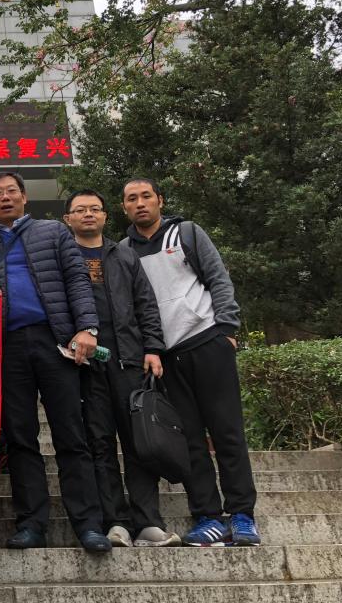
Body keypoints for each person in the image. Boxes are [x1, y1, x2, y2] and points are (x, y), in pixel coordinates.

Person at [0, 171, 111, 553]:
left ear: (24, 197)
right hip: (7, 347)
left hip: (54, 341)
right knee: (21, 438)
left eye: (12, 191)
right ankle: (31, 524)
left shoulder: (53, 232)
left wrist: (87, 328)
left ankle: (88, 524)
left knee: (71, 433)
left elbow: (77, 280)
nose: (5, 197)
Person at [121, 178, 259, 547]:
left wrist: (226, 329)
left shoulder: (186, 233)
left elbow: (218, 279)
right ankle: (207, 515)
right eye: (132, 199)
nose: (140, 203)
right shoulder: (124, 251)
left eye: (146, 196)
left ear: (160, 200)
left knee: (227, 432)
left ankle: (242, 514)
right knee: (189, 441)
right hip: (166, 357)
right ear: (124, 208)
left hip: (207, 341)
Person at [63, 190, 180, 548]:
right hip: (85, 366)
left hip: (128, 360)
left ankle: (148, 522)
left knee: (138, 441)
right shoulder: (62, 256)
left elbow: (146, 304)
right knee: (99, 443)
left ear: (105, 216)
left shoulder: (125, 255)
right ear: (68, 219)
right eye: (80, 210)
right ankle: (115, 521)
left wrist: (153, 348)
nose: (88, 214)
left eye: (94, 209)